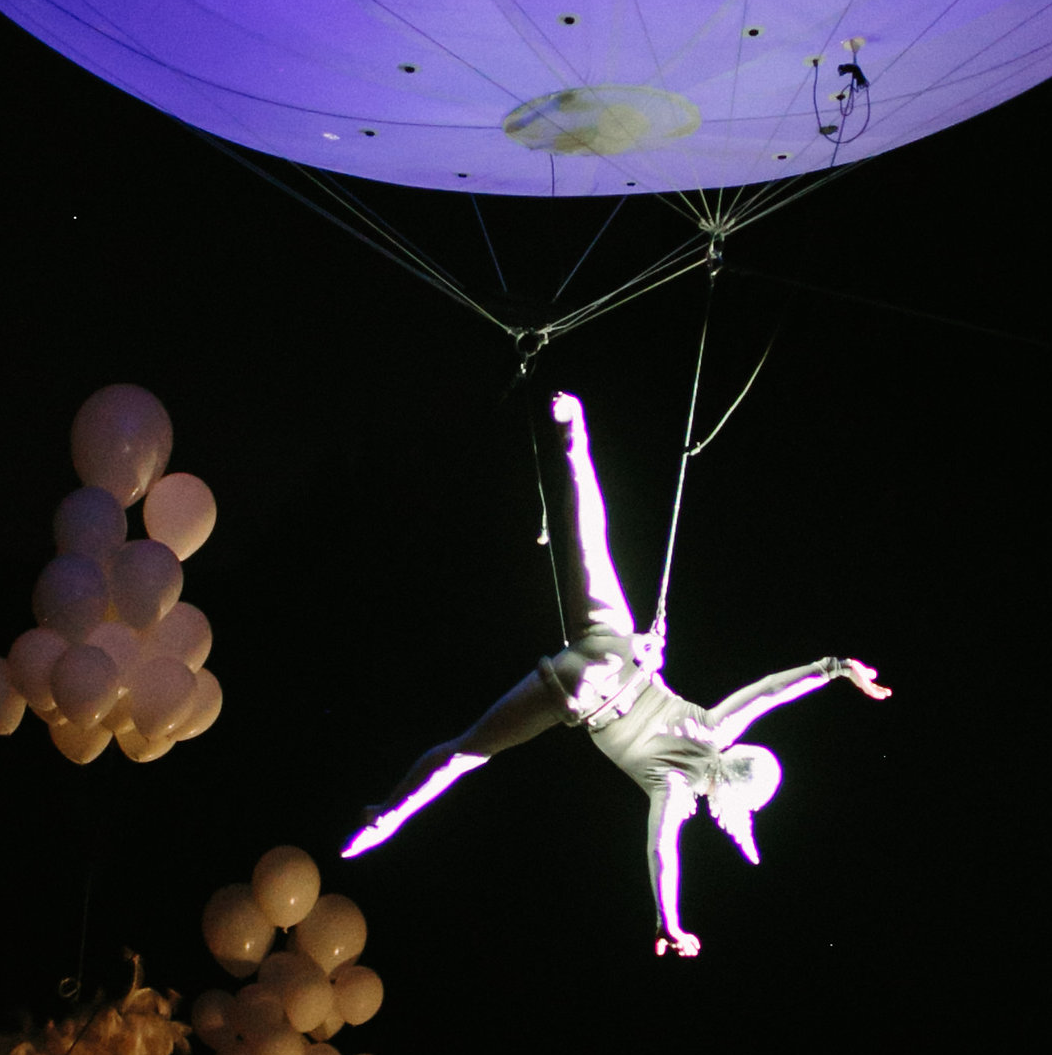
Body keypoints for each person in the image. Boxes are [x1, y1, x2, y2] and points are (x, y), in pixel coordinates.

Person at [342, 390, 889, 956]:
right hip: (583, 694)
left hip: (621, 650)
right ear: (732, 801)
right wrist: (667, 922)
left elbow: (771, 691)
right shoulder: (675, 792)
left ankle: (573, 433)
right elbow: (661, 853)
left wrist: (836, 667)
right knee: (468, 752)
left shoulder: (716, 730)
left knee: (590, 536)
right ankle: (384, 818)